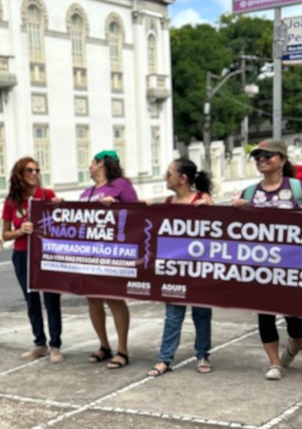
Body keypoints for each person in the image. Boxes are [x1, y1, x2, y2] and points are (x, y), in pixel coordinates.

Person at [234, 139, 302, 381]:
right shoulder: (250, 192)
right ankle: (275, 363)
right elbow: (237, 229)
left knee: (296, 322)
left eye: (268, 156)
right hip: (261, 265)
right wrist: (238, 210)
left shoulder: (298, 189)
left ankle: (292, 347)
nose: (262, 159)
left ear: (282, 160)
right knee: (265, 314)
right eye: (258, 156)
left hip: (292, 266)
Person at [147, 159, 214, 377]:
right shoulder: (168, 201)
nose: (166, 178)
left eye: (169, 174)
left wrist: (208, 211)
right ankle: (165, 359)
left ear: (182, 178)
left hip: (199, 269)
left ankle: (202, 354)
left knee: (201, 314)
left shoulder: (203, 200)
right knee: (173, 315)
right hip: (175, 270)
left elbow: (219, 229)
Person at [1, 157, 63, 363]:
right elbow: (5, 234)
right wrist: (20, 230)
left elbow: (62, 222)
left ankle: (55, 345)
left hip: (46, 253)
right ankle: (40, 343)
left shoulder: (47, 195)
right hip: (22, 254)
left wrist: (60, 206)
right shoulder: (11, 201)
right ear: (20, 174)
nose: (35, 173)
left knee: (51, 299)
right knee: (32, 301)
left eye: (37, 170)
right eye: (30, 170)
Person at [79, 150, 137, 370]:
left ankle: (122, 349)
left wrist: (116, 206)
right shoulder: (87, 192)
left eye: (92, 162)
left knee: (114, 298)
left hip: (113, 253)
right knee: (93, 299)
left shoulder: (121, 186)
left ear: (101, 163)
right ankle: (104, 345)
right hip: (90, 254)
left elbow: (137, 215)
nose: (89, 167)